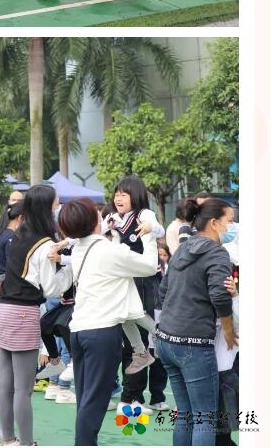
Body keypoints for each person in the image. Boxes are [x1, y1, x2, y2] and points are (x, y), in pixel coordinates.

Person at [57, 197, 159, 446]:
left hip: (79, 330)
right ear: (94, 220)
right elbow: (149, 266)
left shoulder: (80, 248)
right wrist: (148, 235)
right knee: (95, 402)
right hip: (102, 333)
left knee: (86, 400)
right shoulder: (107, 250)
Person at [0, 185, 73, 447]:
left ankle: (8, 440)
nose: (58, 207)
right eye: (56, 203)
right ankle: (27, 443)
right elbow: (51, 288)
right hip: (23, 313)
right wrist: (69, 268)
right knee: (24, 388)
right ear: (47, 207)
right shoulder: (45, 243)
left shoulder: (18, 233)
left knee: (6, 383)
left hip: (3, 309)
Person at [156, 198, 237, 446]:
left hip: (166, 339)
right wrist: (228, 329)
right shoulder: (217, 253)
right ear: (214, 223)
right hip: (193, 344)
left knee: (186, 414)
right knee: (204, 418)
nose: (233, 226)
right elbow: (219, 295)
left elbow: (163, 291)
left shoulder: (183, 248)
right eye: (230, 221)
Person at [104, 176, 166, 376]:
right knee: (123, 313)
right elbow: (92, 233)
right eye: (116, 194)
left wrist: (151, 227)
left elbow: (160, 230)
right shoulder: (112, 217)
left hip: (142, 273)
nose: (118, 198)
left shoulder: (144, 214)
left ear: (136, 195)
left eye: (123, 195)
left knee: (133, 312)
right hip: (124, 273)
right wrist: (68, 242)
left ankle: (158, 337)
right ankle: (142, 350)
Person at [0, 198, 23, 280]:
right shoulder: (11, 237)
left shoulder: (3, 234)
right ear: (20, 218)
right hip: (8, 280)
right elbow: (14, 266)